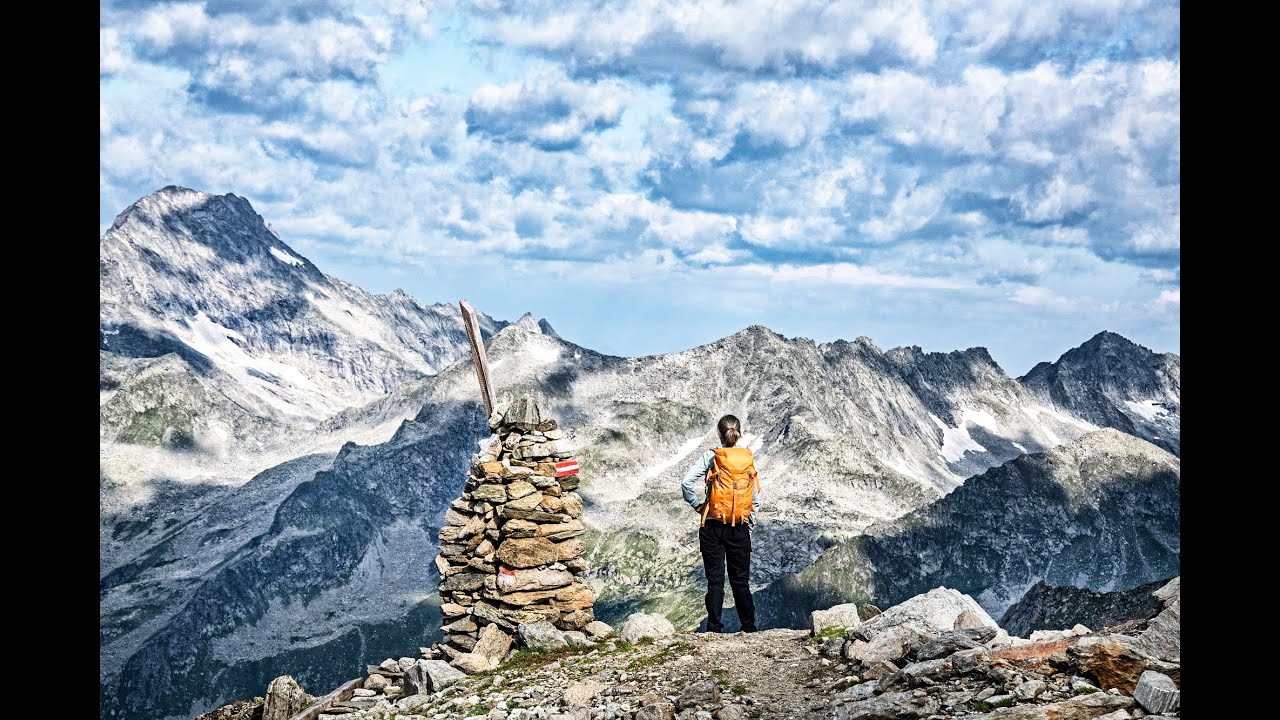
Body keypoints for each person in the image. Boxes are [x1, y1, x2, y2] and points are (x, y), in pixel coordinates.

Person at [680, 414, 759, 633]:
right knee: (740, 581)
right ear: (739, 433)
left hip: (712, 527)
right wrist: (748, 525)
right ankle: (749, 627)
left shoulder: (712, 456)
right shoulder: (747, 458)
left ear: (719, 434)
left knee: (715, 581)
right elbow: (754, 499)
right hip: (738, 526)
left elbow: (686, 483)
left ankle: (714, 628)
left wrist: (698, 505)